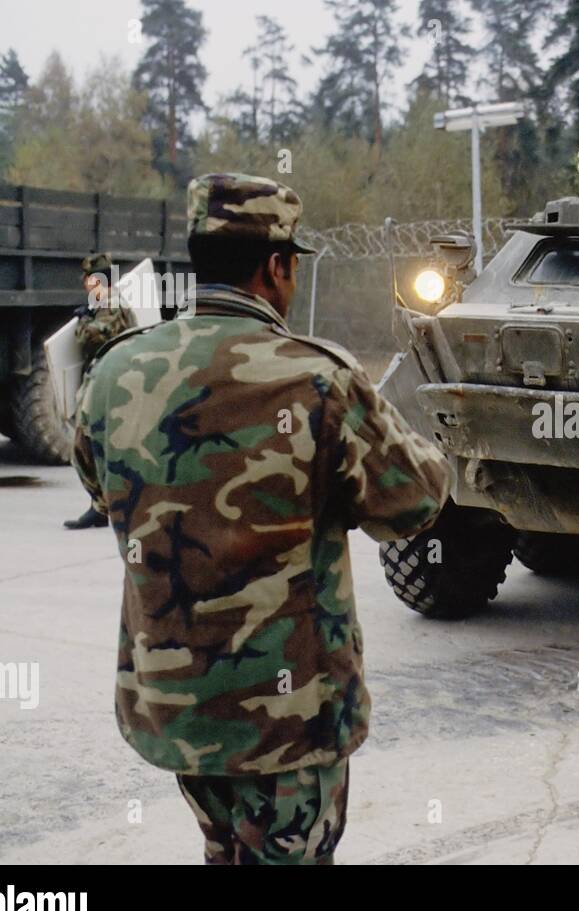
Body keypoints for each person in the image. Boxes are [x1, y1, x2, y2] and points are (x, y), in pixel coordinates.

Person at [71, 172, 453, 864]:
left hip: (179, 706)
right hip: (290, 724)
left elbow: (102, 487)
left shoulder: (114, 373)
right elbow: (414, 503)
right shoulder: (318, 379)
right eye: (292, 266)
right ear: (276, 268)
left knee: (224, 852)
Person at [63, 252, 136, 530]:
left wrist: (84, 321)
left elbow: (89, 337)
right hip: (108, 383)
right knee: (99, 446)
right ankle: (103, 506)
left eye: (87, 277)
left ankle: (103, 505)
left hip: (111, 386)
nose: (83, 283)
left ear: (96, 279)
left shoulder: (110, 304)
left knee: (87, 445)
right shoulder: (104, 303)